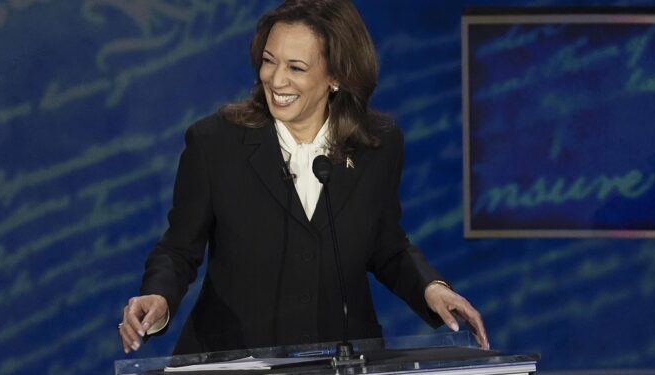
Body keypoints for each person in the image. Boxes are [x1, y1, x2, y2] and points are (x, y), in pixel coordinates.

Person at [118, 0, 489, 355]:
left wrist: (431, 287)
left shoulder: (377, 143)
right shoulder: (215, 143)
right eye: (268, 61)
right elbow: (180, 248)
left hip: (341, 356)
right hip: (233, 356)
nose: (275, 79)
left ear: (337, 76)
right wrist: (159, 297)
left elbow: (385, 243)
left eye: (295, 67)